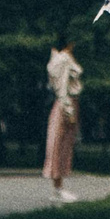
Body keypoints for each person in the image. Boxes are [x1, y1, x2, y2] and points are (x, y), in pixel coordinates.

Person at [43, 40, 82, 201]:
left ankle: (58, 187)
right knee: (59, 145)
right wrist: (69, 110)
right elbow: (62, 86)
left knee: (62, 145)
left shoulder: (59, 59)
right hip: (66, 104)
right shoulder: (63, 59)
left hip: (67, 104)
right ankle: (58, 188)